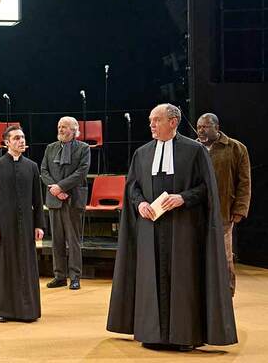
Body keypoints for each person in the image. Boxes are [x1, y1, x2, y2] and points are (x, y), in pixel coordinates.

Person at [107, 104, 237, 351]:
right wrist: (140, 203)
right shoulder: (142, 153)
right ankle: (151, 333)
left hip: (184, 229)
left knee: (183, 280)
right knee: (150, 278)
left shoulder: (194, 151)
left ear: (174, 121)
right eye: (150, 121)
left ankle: (184, 335)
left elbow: (206, 188)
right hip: (150, 229)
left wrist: (183, 198)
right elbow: (132, 186)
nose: (152, 125)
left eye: (157, 120)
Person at [0, 125, 45, 323]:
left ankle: (28, 309)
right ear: (7, 142)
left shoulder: (32, 166)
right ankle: (2, 309)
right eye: (17, 138)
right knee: (4, 265)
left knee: (26, 264)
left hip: (26, 224)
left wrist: (39, 225)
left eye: (23, 137)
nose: (21, 141)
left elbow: (37, 199)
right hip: (3, 224)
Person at [196, 113, 251, 296]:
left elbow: (244, 182)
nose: (201, 130)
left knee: (224, 256)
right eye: (199, 127)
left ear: (217, 128)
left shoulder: (236, 148)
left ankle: (226, 294)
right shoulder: (193, 148)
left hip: (224, 212)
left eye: (205, 127)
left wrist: (240, 209)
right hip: (196, 212)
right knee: (198, 254)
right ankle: (201, 293)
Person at [40, 117, 90, 290]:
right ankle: (59, 276)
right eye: (59, 126)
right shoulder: (50, 148)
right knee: (57, 240)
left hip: (73, 198)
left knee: (73, 240)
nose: (60, 129)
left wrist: (61, 187)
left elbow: (82, 172)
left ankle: (75, 276)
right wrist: (54, 188)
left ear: (74, 130)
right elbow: (44, 170)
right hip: (54, 199)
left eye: (64, 127)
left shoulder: (83, 148)